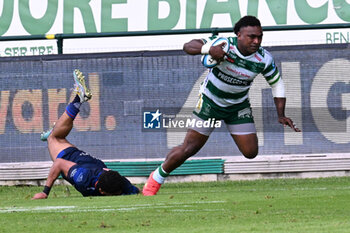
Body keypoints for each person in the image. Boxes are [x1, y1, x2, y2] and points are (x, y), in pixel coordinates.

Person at [142, 15, 300, 196]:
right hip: (211, 103)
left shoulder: (264, 59)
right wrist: (208, 49)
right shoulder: (224, 44)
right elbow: (188, 46)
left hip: (237, 106)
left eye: (259, 37)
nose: (256, 41)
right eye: (251, 36)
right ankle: (157, 178)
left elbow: (277, 83)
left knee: (250, 152)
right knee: (189, 148)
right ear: (239, 35)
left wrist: (281, 114)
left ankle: (157, 176)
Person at [32, 69, 140, 199]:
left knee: (57, 135)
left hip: (89, 162)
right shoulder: (83, 178)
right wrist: (45, 192)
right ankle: (78, 98)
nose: (120, 194)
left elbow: (137, 191)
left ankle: (56, 127)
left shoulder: (121, 184)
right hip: (70, 158)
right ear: (101, 191)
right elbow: (59, 163)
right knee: (53, 138)